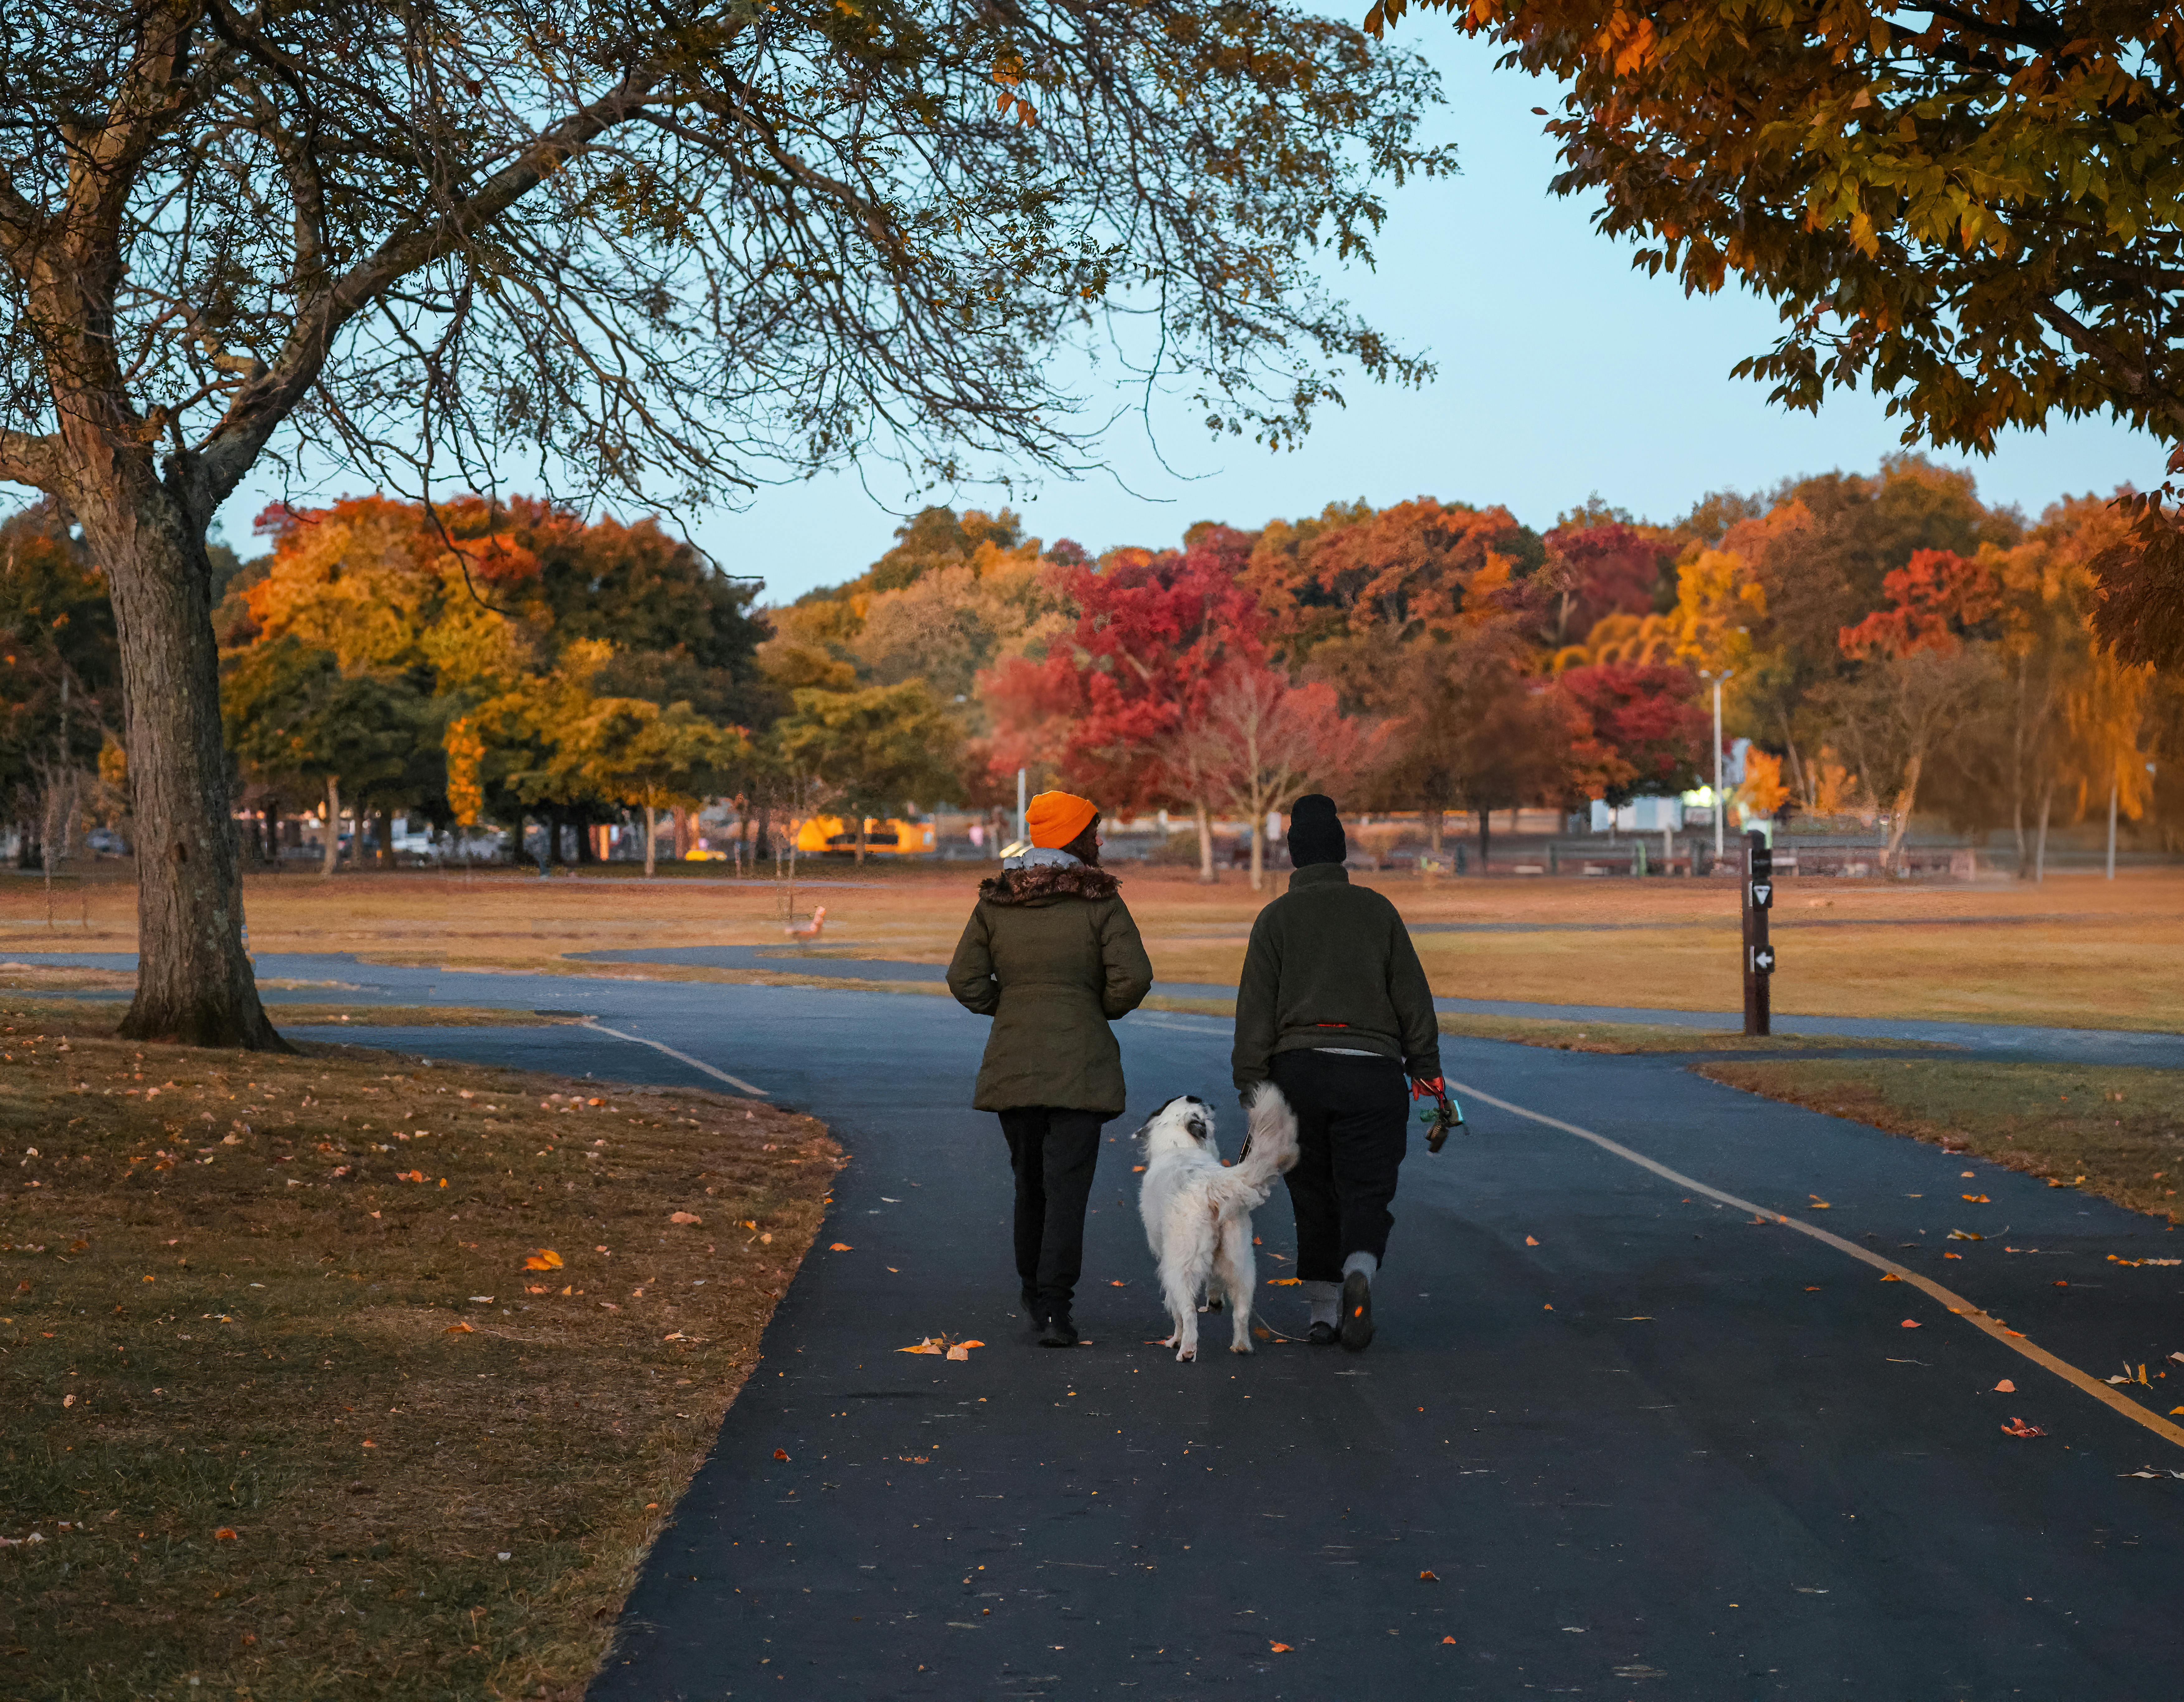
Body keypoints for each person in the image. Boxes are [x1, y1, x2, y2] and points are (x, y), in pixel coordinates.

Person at [1231, 794, 1442, 1350]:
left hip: (1298, 1073)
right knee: (1366, 1190)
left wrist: (1253, 1091)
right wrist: (1427, 1072)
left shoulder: (1275, 919)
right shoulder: (1377, 911)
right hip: (1371, 1073)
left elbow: (1255, 1014)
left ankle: (1323, 1313)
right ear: (1342, 852)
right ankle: (1360, 1271)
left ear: (1294, 855)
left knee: (1313, 1194)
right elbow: (1412, 1000)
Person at [947, 790, 1154, 1346]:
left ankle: (1033, 1295)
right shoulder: (1100, 903)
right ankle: (1058, 1308)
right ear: (1074, 837)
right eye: (1094, 831)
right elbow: (1131, 978)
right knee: (1067, 1190)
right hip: (1079, 1067)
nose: (1100, 841)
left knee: (1029, 1185)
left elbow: (964, 980)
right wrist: (1093, 1009)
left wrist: (1011, 1005)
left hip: (1013, 1065)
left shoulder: (996, 901)